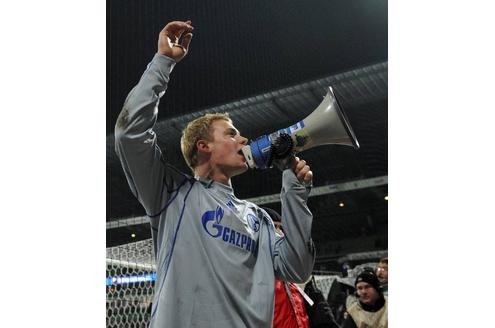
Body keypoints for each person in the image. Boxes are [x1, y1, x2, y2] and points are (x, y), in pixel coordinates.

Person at [114, 20, 316, 327]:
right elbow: (129, 134)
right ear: (203, 146)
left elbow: (298, 269)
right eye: (232, 133)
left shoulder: (259, 220)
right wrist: (163, 62)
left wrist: (295, 191)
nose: (244, 140)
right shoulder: (171, 195)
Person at [265, 207, 311, 328]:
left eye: (281, 228)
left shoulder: (290, 274)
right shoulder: (253, 272)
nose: (279, 232)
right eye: (274, 227)